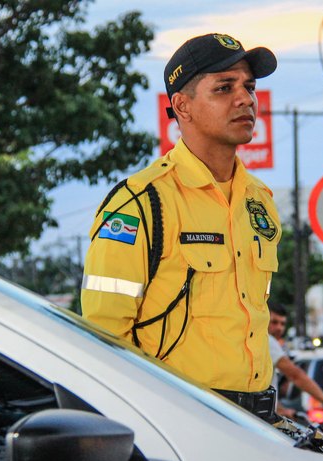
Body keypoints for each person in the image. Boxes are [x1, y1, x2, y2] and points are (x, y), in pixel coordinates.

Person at [81, 33, 281, 422]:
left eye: (249, 87)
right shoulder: (139, 202)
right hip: (180, 422)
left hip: (257, 423)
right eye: (224, 88)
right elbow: (103, 339)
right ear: (182, 107)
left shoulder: (260, 200)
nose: (245, 99)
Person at [268, 302, 323, 417]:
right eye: (274, 322)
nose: (279, 328)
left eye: (282, 324)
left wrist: (280, 409)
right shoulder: (268, 341)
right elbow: (295, 375)